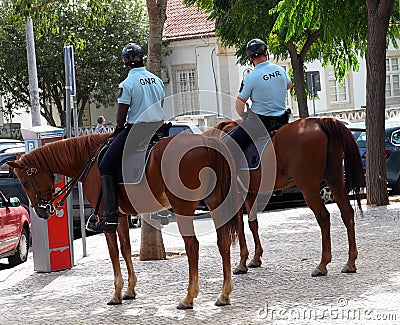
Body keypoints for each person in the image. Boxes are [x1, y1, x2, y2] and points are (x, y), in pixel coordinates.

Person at [86, 43, 165, 233]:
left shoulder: (127, 84)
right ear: (142, 58)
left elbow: (121, 118)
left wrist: (117, 130)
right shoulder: (156, 80)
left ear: (125, 62)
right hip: (159, 129)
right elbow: (160, 104)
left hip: (137, 131)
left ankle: (110, 216)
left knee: (105, 164)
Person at [224, 38, 293, 160]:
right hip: (283, 120)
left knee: (229, 144)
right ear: (266, 53)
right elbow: (289, 85)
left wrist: (244, 115)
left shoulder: (250, 78)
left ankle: (236, 176)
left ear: (250, 58)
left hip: (260, 124)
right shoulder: (280, 70)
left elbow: (239, 106)